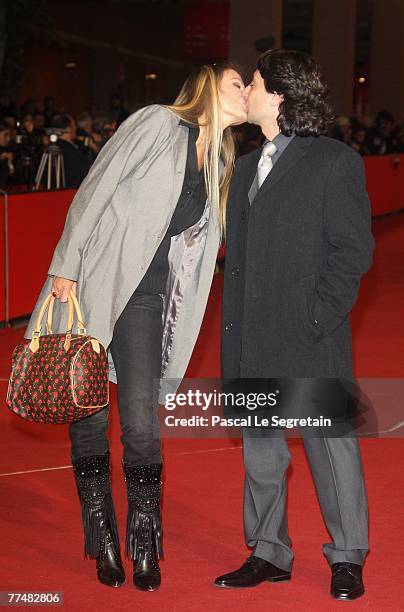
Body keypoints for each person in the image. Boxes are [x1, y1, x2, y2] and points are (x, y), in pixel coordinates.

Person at [24, 63, 247, 591]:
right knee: (88, 411)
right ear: (210, 88)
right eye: (238, 83)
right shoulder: (156, 123)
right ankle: (101, 534)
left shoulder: (219, 161)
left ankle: (143, 539)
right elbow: (95, 188)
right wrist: (65, 264)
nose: (245, 92)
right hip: (94, 282)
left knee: (143, 424)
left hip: (147, 298)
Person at [214, 49, 375, 601]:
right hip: (250, 336)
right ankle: (268, 552)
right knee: (260, 453)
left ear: (279, 94)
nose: (247, 93)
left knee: (330, 450)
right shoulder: (242, 167)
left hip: (307, 337)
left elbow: (353, 252)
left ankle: (347, 556)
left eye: (254, 83)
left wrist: (316, 316)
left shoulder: (333, 161)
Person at [50, 113, 92, 188]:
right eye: (74, 125)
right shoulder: (67, 150)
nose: (76, 128)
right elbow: (85, 169)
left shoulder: (58, 146)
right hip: (70, 190)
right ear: (68, 129)